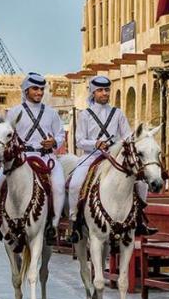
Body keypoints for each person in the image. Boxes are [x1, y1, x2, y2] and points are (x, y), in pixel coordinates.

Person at [67, 75, 157, 241]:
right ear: (93, 93)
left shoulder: (118, 114)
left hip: (115, 157)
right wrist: (96, 144)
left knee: (142, 182)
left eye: (107, 90)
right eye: (100, 90)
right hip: (92, 156)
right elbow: (79, 141)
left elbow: (127, 136)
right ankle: (74, 221)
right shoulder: (85, 115)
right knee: (75, 184)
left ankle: (139, 217)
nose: (104, 93)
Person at [0, 73, 67, 242]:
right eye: (35, 89)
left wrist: (53, 142)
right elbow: (4, 135)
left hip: (46, 158)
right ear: (26, 90)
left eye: (41, 89)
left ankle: (53, 224)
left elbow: (61, 135)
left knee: (59, 187)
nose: (39, 92)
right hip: (21, 158)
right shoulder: (14, 112)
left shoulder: (52, 113)